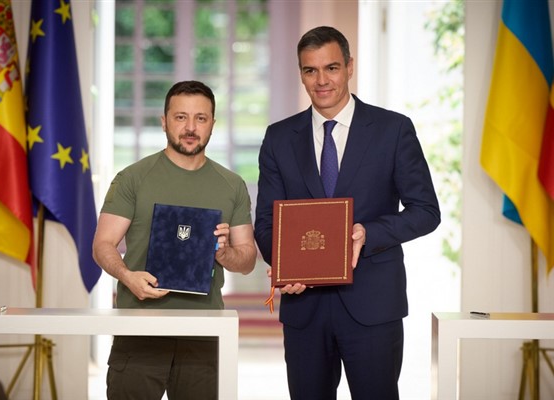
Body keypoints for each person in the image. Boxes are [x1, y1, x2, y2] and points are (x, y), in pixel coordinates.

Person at [254, 26, 441, 400]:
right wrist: (285, 263)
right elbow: (266, 222)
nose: (321, 81)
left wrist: (368, 233)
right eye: (310, 70)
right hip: (304, 308)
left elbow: (425, 211)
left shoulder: (393, 130)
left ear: (350, 67)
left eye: (332, 68)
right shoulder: (279, 137)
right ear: (301, 73)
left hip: (372, 304)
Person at [93, 80, 257, 400]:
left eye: (200, 118)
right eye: (181, 117)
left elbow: (247, 259)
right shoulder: (132, 178)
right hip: (139, 328)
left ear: (212, 124)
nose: (190, 128)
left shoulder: (232, 185)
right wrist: (127, 276)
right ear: (164, 121)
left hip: (204, 332)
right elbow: (102, 245)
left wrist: (225, 254)